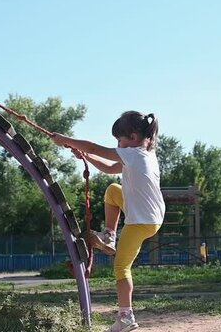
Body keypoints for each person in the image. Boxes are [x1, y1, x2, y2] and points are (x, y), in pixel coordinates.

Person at [51, 111, 165, 332]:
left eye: (119, 140)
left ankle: (126, 317)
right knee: (113, 191)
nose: (118, 145)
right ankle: (110, 236)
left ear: (132, 137)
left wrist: (65, 140)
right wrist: (85, 157)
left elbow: (94, 147)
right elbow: (108, 168)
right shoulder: (144, 154)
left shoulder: (133, 155)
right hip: (150, 215)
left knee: (121, 267)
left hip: (141, 221)